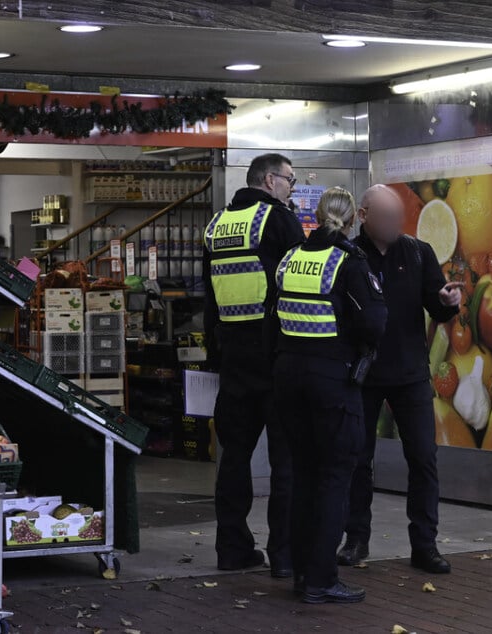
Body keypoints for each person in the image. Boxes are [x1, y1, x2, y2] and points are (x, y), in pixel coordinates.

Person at [337, 184, 463, 574]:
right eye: (387, 218)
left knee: (423, 458)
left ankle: (424, 544)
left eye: (399, 218)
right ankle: (356, 539)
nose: (396, 225)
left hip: (409, 373)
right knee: (358, 461)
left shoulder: (418, 252)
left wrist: (446, 304)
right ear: (363, 216)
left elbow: (435, 305)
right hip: (363, 373)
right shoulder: (348, 256)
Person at [271, 187, 387, 604]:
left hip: (288, 377)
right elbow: (373, 323)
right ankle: (321, 578)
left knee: (302, 476)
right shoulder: (348, 262)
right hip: (333, 382)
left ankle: (302, 572)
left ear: (315, 215)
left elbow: (274, 313)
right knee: (335, 477)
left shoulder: (291, 258)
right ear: (354, 219)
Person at [202, 153, 304, 576]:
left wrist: (215, 356)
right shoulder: (277, 220)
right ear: (269, 180)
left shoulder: (216, 225)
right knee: (286, 462)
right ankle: (283, 555)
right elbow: (301, 283)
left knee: (234, 459)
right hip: (276, 358)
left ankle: (231, 548)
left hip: (234, 362)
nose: (291, 189)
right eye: (290, 181)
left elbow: (208, 298)